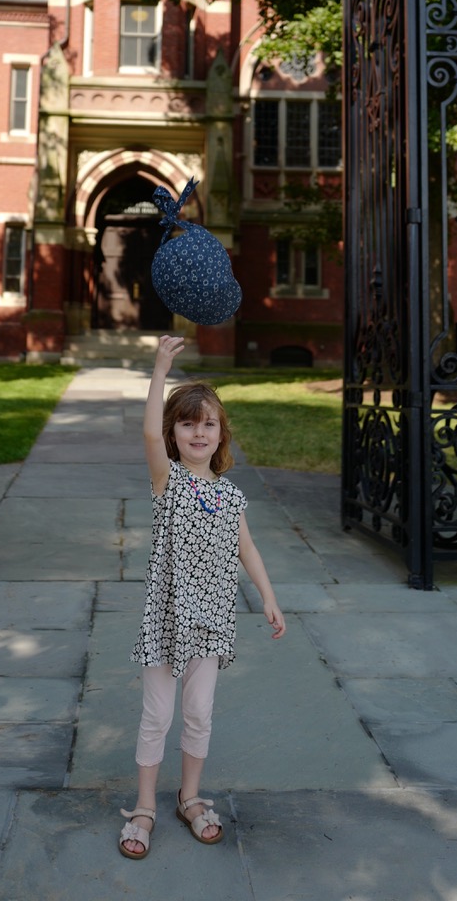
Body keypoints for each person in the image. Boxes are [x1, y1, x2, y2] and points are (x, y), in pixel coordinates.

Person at [119, 334, 286, 860]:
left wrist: (268, 596)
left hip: (212, 625)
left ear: (221, 435)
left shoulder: (229, 493)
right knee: (157, 718)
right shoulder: (167, 481)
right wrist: (161, 365)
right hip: (167, 622)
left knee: (199, 716)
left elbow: (248, 548)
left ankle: (188, 796)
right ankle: (145, 805)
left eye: (208, 423)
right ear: (174, 434)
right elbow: (147, 430)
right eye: (187, 423)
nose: (198, 431)